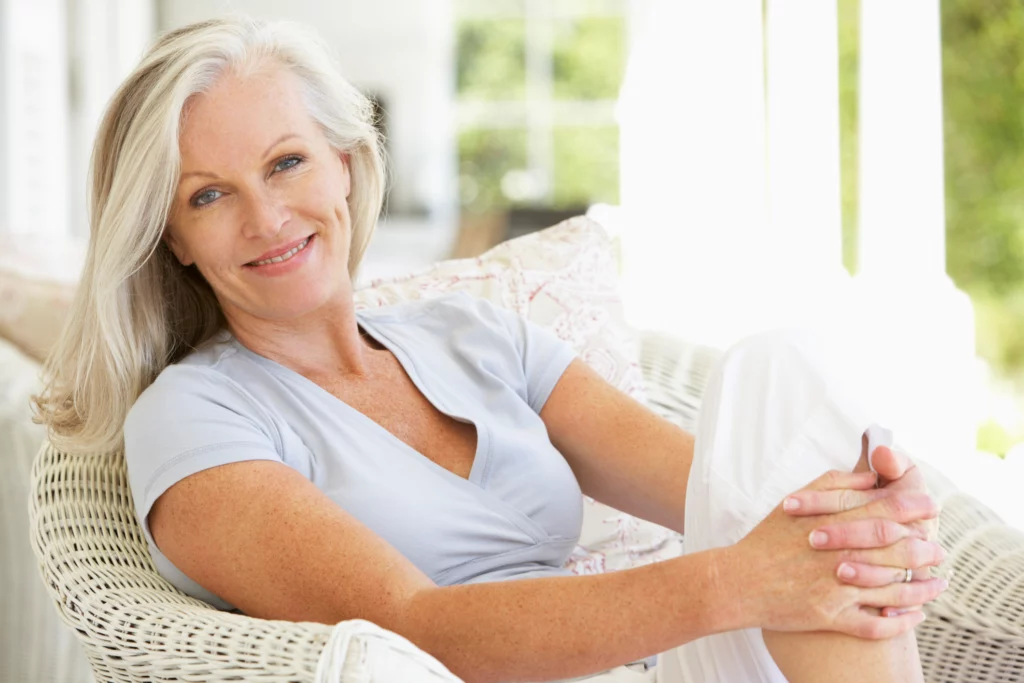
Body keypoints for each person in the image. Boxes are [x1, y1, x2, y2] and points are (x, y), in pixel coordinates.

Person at [35, 15, 947, 683]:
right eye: (207, 195)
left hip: (656, 667)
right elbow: (416, 626)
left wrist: (874, 518)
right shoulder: (193, 416)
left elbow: (737, 497)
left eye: (286, 163)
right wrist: (740, 584)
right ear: (169, 237)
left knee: (776, 370)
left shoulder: (471, 333)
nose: (268, 217)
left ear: (346, 163)